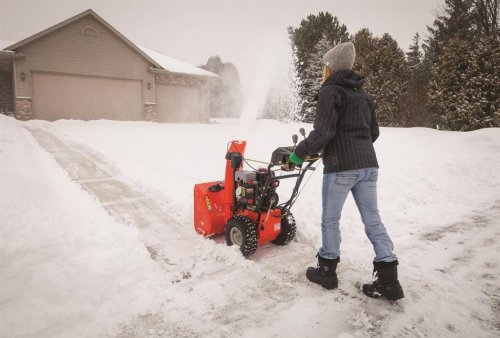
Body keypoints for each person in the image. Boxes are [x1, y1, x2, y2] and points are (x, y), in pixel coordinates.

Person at [289, 42, 404, 301]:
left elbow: (324, 132)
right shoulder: (364, 96)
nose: (323, 71)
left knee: (331, 220)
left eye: (324, 66)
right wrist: (356, 148)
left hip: (341, 167)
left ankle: (326, 270)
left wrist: (299, 152)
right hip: (368, 166)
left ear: (331, 67)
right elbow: (373, 133)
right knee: (373, 220)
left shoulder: (330, 92)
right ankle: (389, 281)